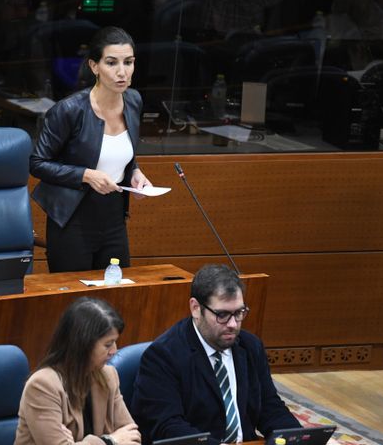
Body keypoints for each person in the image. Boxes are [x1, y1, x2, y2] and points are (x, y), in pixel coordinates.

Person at [132, 264, 300, 444]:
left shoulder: (250, 346)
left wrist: (301, 438)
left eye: (239, 313)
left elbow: (269, 406)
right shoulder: (163, 355)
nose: (233, 324)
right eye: (222, 315)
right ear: (196, 308)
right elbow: (168, 427)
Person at [30, 26, 152, 273]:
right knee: (75, 302)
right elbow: (37, 163)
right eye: (111, 63)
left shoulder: (134, 101)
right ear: (94, 66)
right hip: (73, 218)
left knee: (116, 293)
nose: (122, 72)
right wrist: (86, 175)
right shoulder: (68, 110)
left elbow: (120, 153)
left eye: (128, 62)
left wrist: (134, 172)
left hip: (114, 216)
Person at [15, 297, 141, 445]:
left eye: (114, 342)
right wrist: (109, 441)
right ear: (83, 345)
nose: (114, 351)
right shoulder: (42, 386)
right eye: (107, 345)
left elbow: (132, 436)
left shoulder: (108, 376)